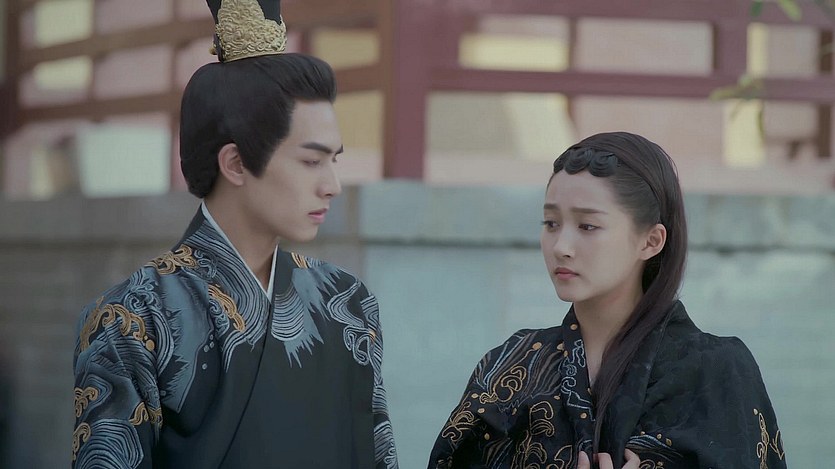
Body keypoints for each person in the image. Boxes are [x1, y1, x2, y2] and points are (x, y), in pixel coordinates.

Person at [71, 0, 398, 467]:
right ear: (236, 162)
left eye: (334, 160)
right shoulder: (133, 317)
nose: (332, 185)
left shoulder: (347, 303)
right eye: (311, 160)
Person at [428, 132, 785, 469]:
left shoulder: (715, 372)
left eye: (587, 226)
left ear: (651, 241)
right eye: (551, 223)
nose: (561, 247)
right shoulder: (512, 366)